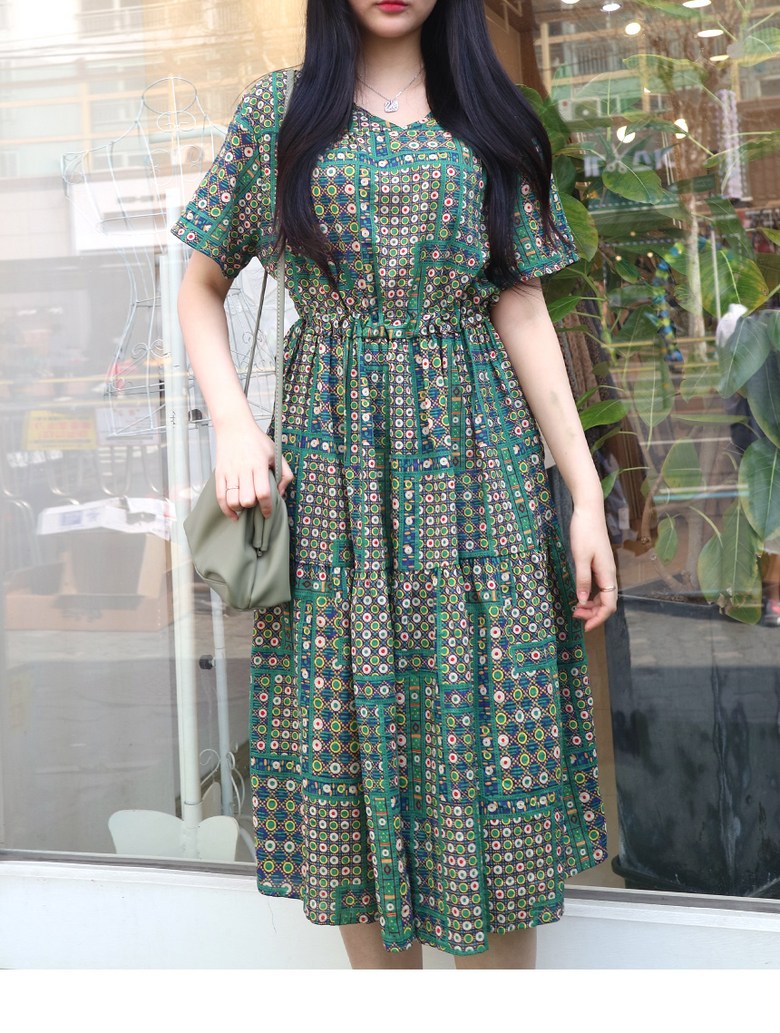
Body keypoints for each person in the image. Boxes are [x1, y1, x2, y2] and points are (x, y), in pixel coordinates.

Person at [172, 0, 617, 969]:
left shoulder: (489, 111)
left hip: (480, 468)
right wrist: (235, 423)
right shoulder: (282, 111)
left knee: (491, 732)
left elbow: (522, 303)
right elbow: (199, 284)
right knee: (347, 724)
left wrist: (583, 494)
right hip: (335, 471)